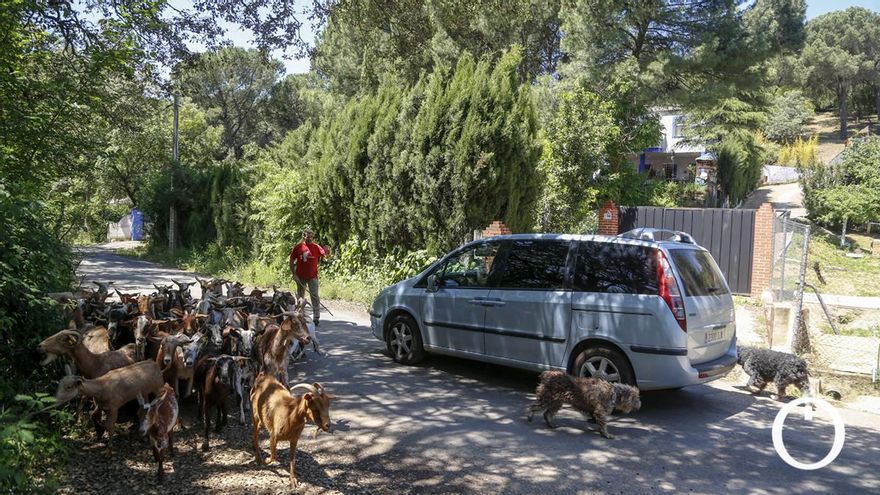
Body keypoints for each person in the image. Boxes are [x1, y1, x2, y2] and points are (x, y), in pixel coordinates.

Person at [289, 227, 328, 325]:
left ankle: (316, 317)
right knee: (300, 296)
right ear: (304, 236)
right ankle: (299, 315)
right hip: (300, 276)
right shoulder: (298, 247)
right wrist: (294, 274)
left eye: (311, 236)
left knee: (314, 295)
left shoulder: (316, 247)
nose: (310, 238)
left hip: (313, 276)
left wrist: (328, 250)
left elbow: (325, 254)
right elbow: (291, 261)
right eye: (307, 236)